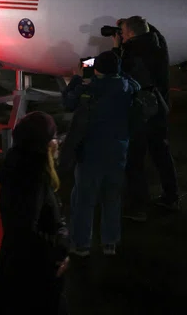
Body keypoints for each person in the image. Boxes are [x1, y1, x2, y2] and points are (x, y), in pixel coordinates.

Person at [61, 51, 138, 257]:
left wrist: (77, 77)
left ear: (97, 69)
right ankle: (110, 242)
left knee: (84, 199)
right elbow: (135, 84)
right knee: (112, 197)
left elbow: (68, 101)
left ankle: (81, 244)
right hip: (118, 150)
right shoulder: (127, 87)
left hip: (91, 151)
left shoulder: (91, 89)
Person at [0, 112, 69, 315]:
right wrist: (60, 249)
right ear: (43, 143)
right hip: (32, 274)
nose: (57, 142)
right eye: (53, 136)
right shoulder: (32, 178)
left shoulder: (20, 166)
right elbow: (25, 231)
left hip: (20, 268)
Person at [113, 16, 178, 220]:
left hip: (140, 112)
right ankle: (171, 197)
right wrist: (128, 24)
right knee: (161, 153)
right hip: (159, 107)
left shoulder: (132, 52)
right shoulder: (159, 44)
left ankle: (138, 208)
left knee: (135, 160)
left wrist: (117, 48)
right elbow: (148, 29)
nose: (121, 36)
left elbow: (119, 73)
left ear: (131, 34)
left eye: (123, 32)